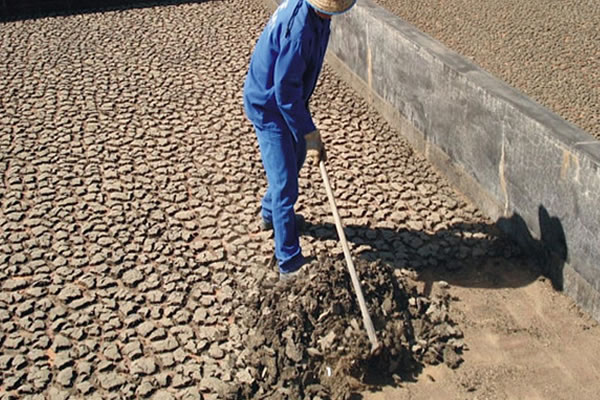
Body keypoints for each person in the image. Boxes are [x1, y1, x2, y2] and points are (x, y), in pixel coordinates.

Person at [243, 0, 356, 280]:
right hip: (269, 106)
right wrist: (310, 133)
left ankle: (270, 215)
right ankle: (289, 261)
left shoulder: (320, 17)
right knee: (285, 185)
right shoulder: (299, 31)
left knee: (297, 157)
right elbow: (285, 93)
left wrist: (306, 134)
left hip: (290, 102)